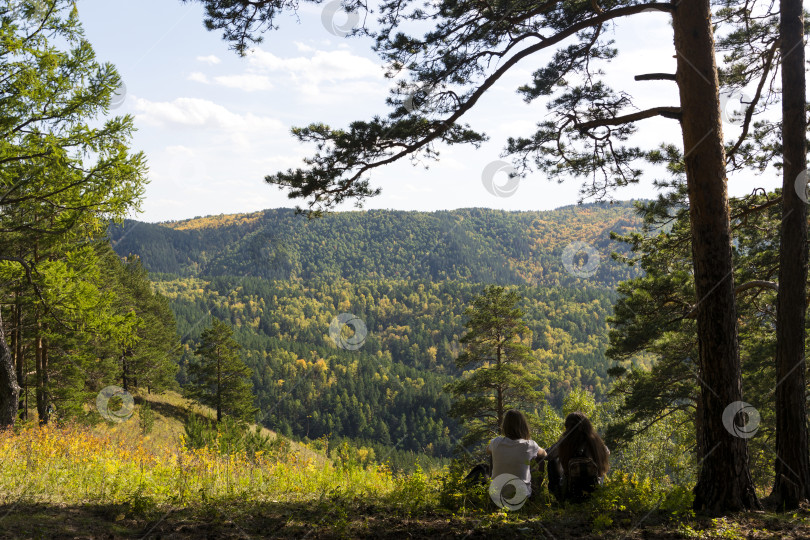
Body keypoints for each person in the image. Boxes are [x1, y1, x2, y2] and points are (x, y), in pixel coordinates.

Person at [545, 411, 610, 503]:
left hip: (569, 492)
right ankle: (599, 493)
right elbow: (607, 452)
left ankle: (557, 497)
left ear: (568, 427)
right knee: (600, 466)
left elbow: (548, 455)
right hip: (594, 492)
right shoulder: (597, 443)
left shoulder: (565, 443)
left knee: (552, 462)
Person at [486, 410, 547, 499]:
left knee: (492, 454)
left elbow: (487, 450)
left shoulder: (496, 442)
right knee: (539, 460)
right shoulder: (529, 445)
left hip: (497, 497)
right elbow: (544, 454)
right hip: (520, 498)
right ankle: (535, 494)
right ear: (523, 426)